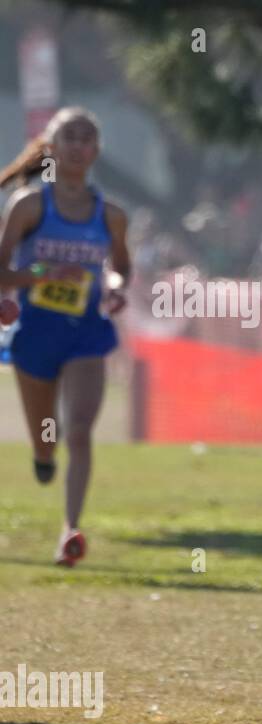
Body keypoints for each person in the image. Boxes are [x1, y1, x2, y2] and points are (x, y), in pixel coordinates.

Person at [0, 107, 130, 566]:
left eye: (86, 137)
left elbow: (119, 268)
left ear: (96, 151)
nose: (78, 145)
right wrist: (42, 272)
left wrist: (114, 290)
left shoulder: (111, 215)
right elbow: (3, 273)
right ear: (50, 147)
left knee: (79, 430)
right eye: (68, 136)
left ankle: (70, 530)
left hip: (86, 335)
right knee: (46, 439)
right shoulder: (29, 205)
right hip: (36, 332)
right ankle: (42, 457)